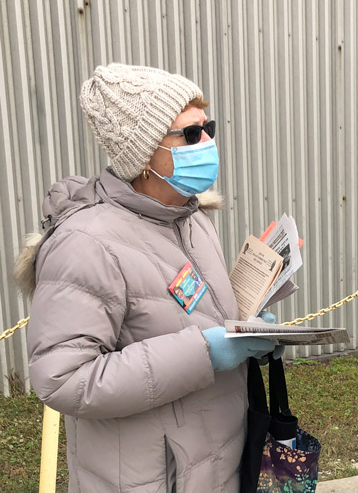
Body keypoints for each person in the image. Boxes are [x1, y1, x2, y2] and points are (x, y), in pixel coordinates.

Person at [15, 63, 279, 492]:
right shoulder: (86, 242)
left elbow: (188, 312)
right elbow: (62, 379)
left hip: (218, 463)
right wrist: (206, 353)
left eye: (207, 127)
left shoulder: (191, 218)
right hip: (153, 477)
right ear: (143, 157)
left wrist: (248, 323)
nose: (208, 142)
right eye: (191, 135)